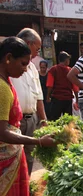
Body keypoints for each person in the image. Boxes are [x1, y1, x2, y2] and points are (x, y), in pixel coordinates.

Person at [0, 37, 55, 196]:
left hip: (11, 157)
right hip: (5, 157)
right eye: (23, 63)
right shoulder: (2, 88)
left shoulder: (5, 81)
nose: (25, 69)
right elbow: (2, 131)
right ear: (8, 59)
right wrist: (38, 141)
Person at [10, 28, 48, 175]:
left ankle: (26, 190)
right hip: (13, 120)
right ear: (28, 43)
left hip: (31, 119)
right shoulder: (10, 65)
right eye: (37, 49)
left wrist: (43, 119)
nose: (37, 53)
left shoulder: (32, 67)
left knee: (29, 157)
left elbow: (39, 96)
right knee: (12, 156)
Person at [46, 51, 79, 121]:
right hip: (68, 99)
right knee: (67, 122)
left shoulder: (53, 70)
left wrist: (48, 97)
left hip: (56, 99)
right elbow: (75, 87)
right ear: (66, 60)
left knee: (54, 121)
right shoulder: (71, 71)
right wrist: (77, 100)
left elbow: (50, 85)